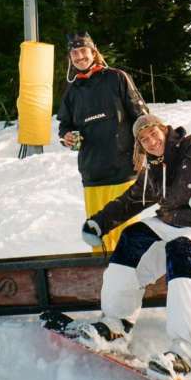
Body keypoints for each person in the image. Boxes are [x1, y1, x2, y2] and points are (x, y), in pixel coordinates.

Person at [80, 114, 191, 380]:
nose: (151, 141)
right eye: (144, 139)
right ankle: (117, 323)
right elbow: (130, 201)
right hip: (171, 222)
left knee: (180, 251)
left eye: (153, 133)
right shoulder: (153, 170)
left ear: (164, 129)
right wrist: (99, 224)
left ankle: (189, 351)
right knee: (132, 237)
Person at [57, 31, 149, 252]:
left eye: (83, 51)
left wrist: (145, 149)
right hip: (92, 175)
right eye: (74, 53)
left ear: (93, 52)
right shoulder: (72, 92)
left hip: (124, 171)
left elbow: (142, 116)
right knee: (99, 240)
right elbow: (64, 127)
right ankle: (105, 283)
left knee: (128, 238)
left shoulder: (117, 77)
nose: (79, 57)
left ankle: (138, 284)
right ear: (70, 58)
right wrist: (67, 137)